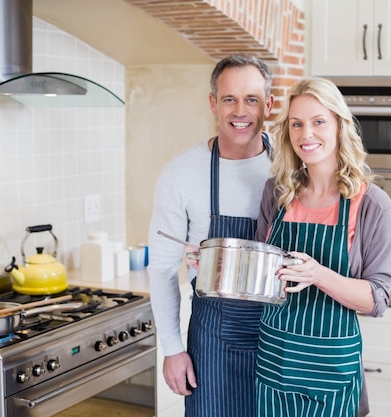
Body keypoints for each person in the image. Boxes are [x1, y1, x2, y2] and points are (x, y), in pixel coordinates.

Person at [254, 77, 391, 417]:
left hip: (330, 372)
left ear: (339, 126)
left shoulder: (372, 204)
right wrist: (216, 263)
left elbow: (377, 300)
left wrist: (318, 274)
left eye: (319, 122)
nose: (307, 134)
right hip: (274, 364)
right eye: (297, 124)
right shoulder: (276, 193)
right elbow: (262, 275)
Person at [147, 54, 275, 417]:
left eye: (251, 99)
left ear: (269, 103)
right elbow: (161, 269)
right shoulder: (181, 174)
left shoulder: (291, 168)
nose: (240, 111)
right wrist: (172, 349)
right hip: (213, 346)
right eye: (229, 99)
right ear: (212, 104)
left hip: (283, 341)